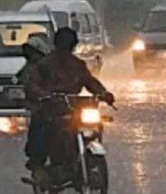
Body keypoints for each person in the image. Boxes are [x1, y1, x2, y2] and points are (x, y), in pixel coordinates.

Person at [29, 27, 115, 183]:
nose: (65, 49)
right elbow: (34, 84)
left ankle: (81, 161)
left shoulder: (78, 65)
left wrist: (103, 93)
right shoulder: (44, 65)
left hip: (75, 107)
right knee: (42, 126)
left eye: (68, 46)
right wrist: (45, 95)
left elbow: (90, 82)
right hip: (51, 107)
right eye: (63, 45)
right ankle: (38, 166)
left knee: (95, 125)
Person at [17, 36, 51, 177]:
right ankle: (36, 160)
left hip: (57, 104)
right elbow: (28, 84)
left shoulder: (52, 64)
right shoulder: (30, 69)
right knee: (40, 128)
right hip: (40, 106)